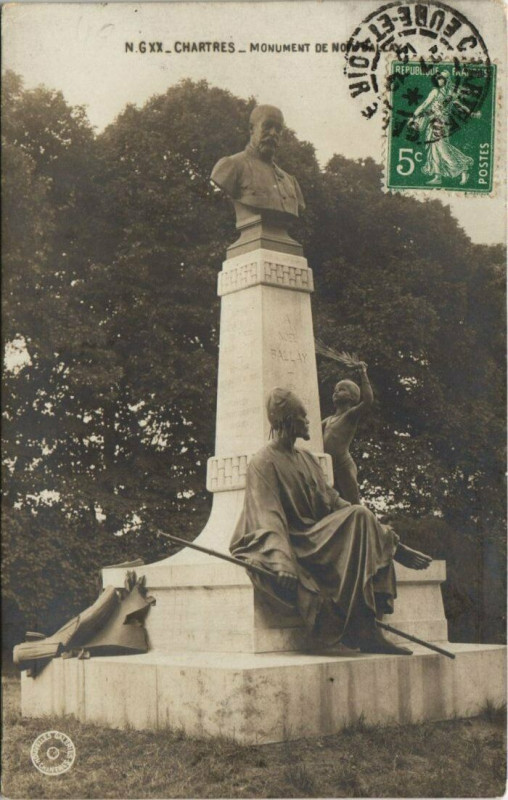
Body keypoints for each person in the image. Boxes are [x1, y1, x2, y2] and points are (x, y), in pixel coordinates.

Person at [230, 388, 432, 655]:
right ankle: (362, 627)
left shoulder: (308, 459)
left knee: (359, 514)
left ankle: (368, 627)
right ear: (288, 420)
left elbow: (334, 502)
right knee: (359, 517)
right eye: (303, 417)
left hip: (317, 534)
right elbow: (268, 516)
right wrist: (281, 560)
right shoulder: (263, 462)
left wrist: (392, 542)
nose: (309, 421)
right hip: (297, 539)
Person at [211, 104, 305, 220]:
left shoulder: (291, 182)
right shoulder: (231, 166)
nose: (273, 133)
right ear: (252, 129)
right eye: (267, 126)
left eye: (278, 129)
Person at [410, 70, 477, 186]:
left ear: (446, 80)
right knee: (433, 149)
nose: (439, 80)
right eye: (438, 78)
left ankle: (463, 168)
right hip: (433, 122)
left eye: (441, 78)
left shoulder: (450, 93)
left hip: (442, 123)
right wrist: (415, 115)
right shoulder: (435, 92)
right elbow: (425, 105)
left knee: (442, 149)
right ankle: (437, 176)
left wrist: (470, 113)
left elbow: (459, 105)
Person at [322, 361, 373, 504]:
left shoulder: (350, 415)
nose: (336, 392)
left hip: (343, 465)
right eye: (335, 390)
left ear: (352, 397)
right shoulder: (328, 420)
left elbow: (368, 400)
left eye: (342, 389)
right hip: (329, 466)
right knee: (334, 503)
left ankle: (364, 524)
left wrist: (363, 373)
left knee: (353, 502)